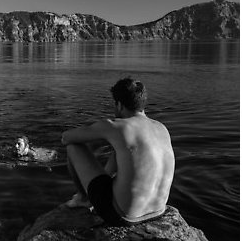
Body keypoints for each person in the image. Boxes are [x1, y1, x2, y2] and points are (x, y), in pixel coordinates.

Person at [61, 77, 175, 226]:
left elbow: (66, 138)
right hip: (159, 212)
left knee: (73, 147)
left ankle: (83, 199)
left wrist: (99, 132)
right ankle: (93, 194)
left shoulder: (116, 126)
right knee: (121, 150)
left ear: (119, 105)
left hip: (123, 217)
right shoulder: (161, 128)